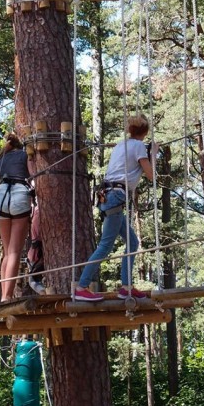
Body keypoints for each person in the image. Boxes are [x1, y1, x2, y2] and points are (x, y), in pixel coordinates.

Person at [74, 113, 159, 302]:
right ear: (145, 132)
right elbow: (151, 175)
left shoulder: (122, 145)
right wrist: (153, 153)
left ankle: (126, 287)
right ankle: (81, 286)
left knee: (133, 243)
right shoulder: (137, 146)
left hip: (109, 196)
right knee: (105, 245)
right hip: (115, 196)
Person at [0, 134, 36, 301]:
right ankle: (7, 297)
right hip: (19, 194)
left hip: (1, 197)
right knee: (15, 251)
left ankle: (3, 296)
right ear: (19, 146)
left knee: (7, 253)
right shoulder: (24, 155)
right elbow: (33, 177)